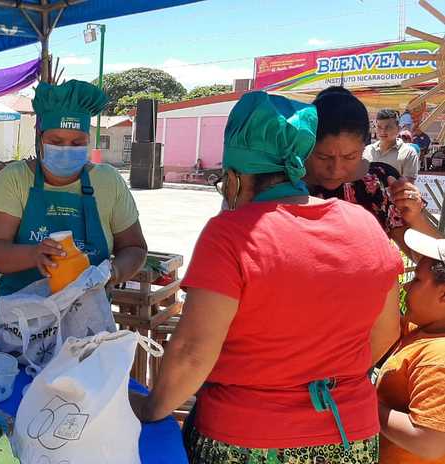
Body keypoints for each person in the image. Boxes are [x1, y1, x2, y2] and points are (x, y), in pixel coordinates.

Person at [130, 91, 402, 463]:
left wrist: (150, 409)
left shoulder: (230, 234)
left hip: (247, 439)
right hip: (349, 435)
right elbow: (386, 332)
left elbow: (193, 352)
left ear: (235, 178)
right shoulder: (365, 226)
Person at [0, 80, 148, 336]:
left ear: (88, 141)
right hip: (21, 327)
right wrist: (33, 255)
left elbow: (134, 248)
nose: (66, 149)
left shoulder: (108, 181)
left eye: (77, 142)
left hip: (86, 326)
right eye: (56, 141)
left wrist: (111, 273)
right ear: (40, 139)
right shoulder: (15, 178)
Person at [305, 87, 438, 253]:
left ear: (364, 146)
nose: (336, 170)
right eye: (323, 157)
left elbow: (426, 258)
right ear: (306, 146)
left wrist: (415, 216)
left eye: (350, 157)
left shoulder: (380, 183)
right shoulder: (287, 187)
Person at [376, 229, 445, 463]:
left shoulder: (438, 357)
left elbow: (429, 442)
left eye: (416, 280)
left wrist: (365, 405)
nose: (406, 287)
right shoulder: (421, 329)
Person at [363, 109, 420, 181]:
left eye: (388, 127)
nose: (383, 131)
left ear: (398, 129)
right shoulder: (367, 150)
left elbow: (408, 184)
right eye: (379, 127)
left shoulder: (408, 153)